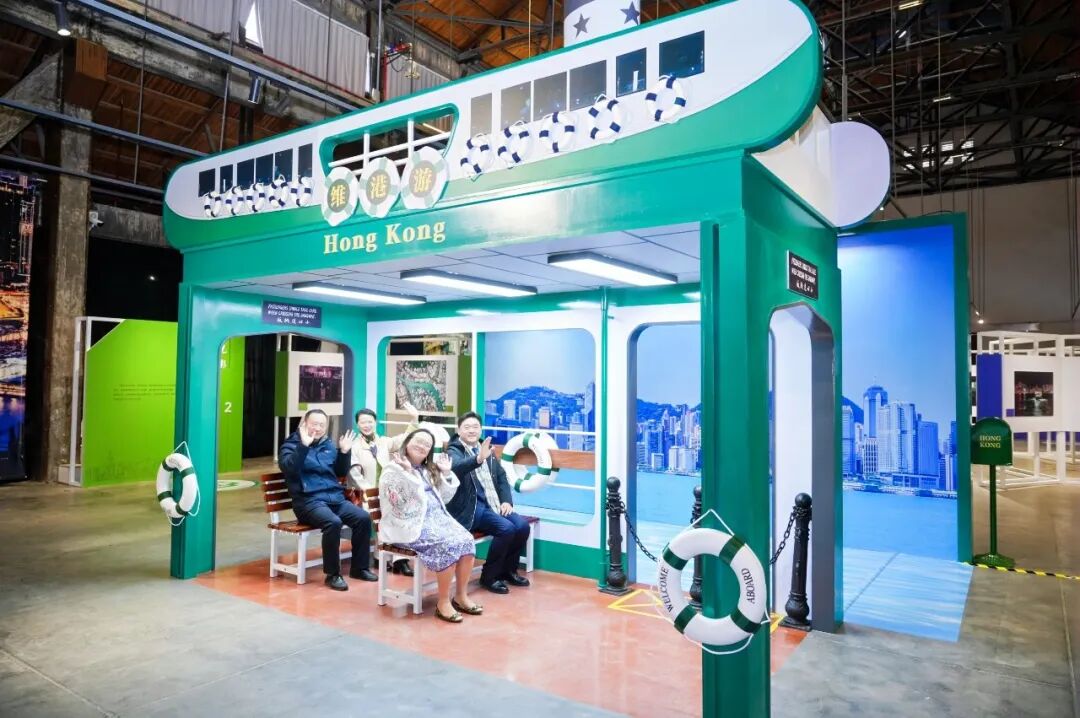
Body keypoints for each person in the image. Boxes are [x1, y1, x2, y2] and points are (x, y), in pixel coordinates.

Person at [378, 429, 483, 623]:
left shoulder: (426, 470)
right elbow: (400, 503)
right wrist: (408, 473)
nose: (421, 446)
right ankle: (443, 602)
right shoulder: (393, 469)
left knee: (466, 540)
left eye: (427, 444)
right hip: (408, 524)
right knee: (447, 543)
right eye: (418, 441)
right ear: (407, 442)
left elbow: (444, 497)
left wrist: (446, 473)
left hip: (437, 520)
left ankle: (460, 596)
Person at [278, 409, 377, 591]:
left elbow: (339, 472)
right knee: (333, 522)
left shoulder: (328, 445)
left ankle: (359, 568)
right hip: (308, 502)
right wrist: (303, 446)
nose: (317, 428)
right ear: (304, 424)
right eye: (314, 424)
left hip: (334, 499)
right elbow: (289, 468)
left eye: (321, 425)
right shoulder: (291, 445)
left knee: (363, 518)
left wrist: (344, 452)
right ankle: (333, 574)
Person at [446, 412, 531, 594]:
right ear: (458, 430)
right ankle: (489, 577)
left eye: (475, 427)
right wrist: (478, 459)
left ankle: (508, 571)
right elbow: (456, 468)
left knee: (522, 527)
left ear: (480, 429)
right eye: (467, 427)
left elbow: (501, 477)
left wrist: (506, 501)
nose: (471, 430)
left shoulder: (486, 448)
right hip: (471, 508)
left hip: (493, 504)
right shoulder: (453, 451)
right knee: (506, 529)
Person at [349, 401, 420, 576]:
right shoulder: (355, 446)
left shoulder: (384, 442)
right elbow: (354, 474)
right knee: (386, 515)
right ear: (357, 424)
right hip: (366, 495)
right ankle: (391, 559)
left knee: (401, 513)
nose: (367, 425)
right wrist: (371, 492)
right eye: (363, 422)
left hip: (387, 493)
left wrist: (414, 419)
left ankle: (396, 559)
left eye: (370, 421)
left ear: (376, 423)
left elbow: (405, 439)